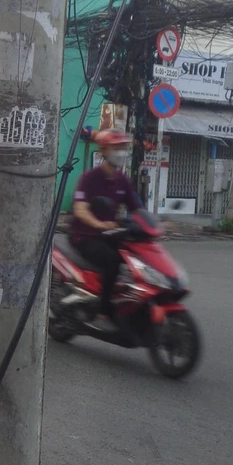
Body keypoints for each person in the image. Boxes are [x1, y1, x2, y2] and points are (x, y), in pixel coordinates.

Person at [69, 128, 141, 322]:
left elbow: (137, 208)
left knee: (135, 259)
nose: (121, 152)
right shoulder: (90, 178)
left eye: (123, 147)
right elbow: (80, 210)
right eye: (116, 148)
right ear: (104, 151)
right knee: (113, 260)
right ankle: (104, 310)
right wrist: (100, 224)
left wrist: (152, 225)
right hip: (85, 236)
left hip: (110, 235)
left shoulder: (122, 180)